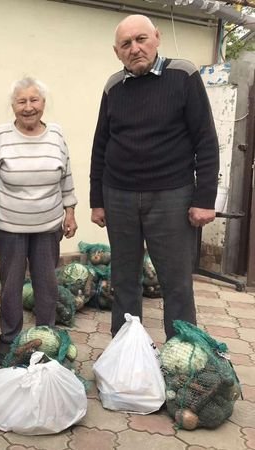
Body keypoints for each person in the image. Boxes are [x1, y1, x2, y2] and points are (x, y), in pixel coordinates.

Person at [89, 14, 219, 340]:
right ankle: (126, 356)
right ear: (117, 52)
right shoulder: (113, 86)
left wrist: (204, 199)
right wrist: (97, 201)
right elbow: (100, 145)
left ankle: (182, 355)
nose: (135, 48)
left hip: (171, 195)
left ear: (157, 38)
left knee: (175, 281)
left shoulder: (183, 75)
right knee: (124, 279)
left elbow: (205, 139)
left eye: (141, 39)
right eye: (126, 44)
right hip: (118, 195)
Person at [0, 77, 78, 361]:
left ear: (43, 104)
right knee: (11, 286)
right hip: (9, 225)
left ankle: (46, 338)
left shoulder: (56, 134)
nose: (28, 107)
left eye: (34, 100)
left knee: (47, 284)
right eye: (21, 101)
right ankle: (9, 341)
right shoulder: (0, 135)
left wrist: (71, 211)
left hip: (48, 225)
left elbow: (66, 176)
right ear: (13, 106)